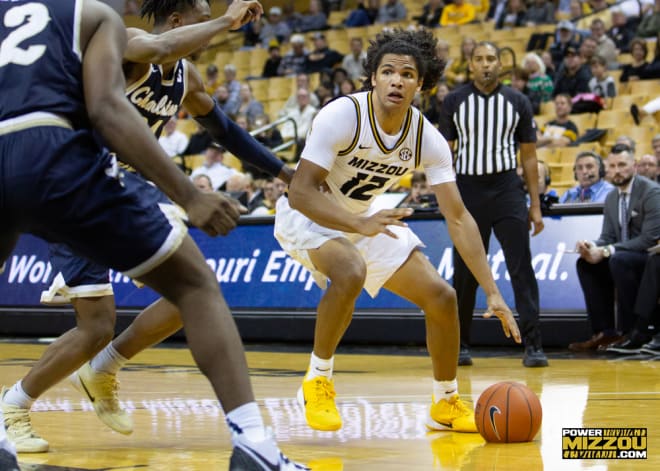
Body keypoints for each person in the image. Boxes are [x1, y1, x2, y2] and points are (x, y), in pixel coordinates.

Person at [1, 2, 308, 468]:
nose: (210, 30)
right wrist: (228, 19)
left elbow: (224, 131)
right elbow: (150, 56)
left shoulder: (189, 80)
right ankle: (14, 407)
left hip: (113, 179)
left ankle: (106, 367)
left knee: (172, 296)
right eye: (201, 17)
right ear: (183, 21)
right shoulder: (128, 40)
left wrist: (283, 169)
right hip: (79, 173)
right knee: (128, 312)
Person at [274, 28, 520, 434]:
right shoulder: (342, 115)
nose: (396, 80)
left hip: (364, 217)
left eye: (407, 74)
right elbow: (300, 192)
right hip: (309, 216)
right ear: (373, 77)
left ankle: (445, 402)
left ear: (420, 84)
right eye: (388, 72)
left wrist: (492, 291)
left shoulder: (427, 138)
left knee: (442, 297)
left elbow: (458, 217)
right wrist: (358, 224)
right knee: (350, 270)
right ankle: (317, 379)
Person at [438, 41, 548, 368]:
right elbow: (444, 155)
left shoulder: (518, 101)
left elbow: (529, 157)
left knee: (521, 268)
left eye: (491, 59)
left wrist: (535, 205)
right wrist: (448, 200)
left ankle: (534, 345)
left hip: (506, 189)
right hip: (467, 192)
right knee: (465, 272)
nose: (486, 64)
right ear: (470, 65)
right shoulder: (455, 101)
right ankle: (460, 345)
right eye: (479, 59)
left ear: (500, 63)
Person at [568, 144, 660, 352]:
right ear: (606, 169)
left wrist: (608, 251)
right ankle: (605, 332)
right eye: (612, 166)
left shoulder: (651, 192)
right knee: (586, 264)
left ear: (634, 166)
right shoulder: (611, 198)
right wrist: (592, 246)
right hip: (623, 256)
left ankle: (631, 330)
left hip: (648, 258)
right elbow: (607, 237)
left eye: (622, 165)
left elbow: (649, 239)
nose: (617, 170)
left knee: (618, 260)